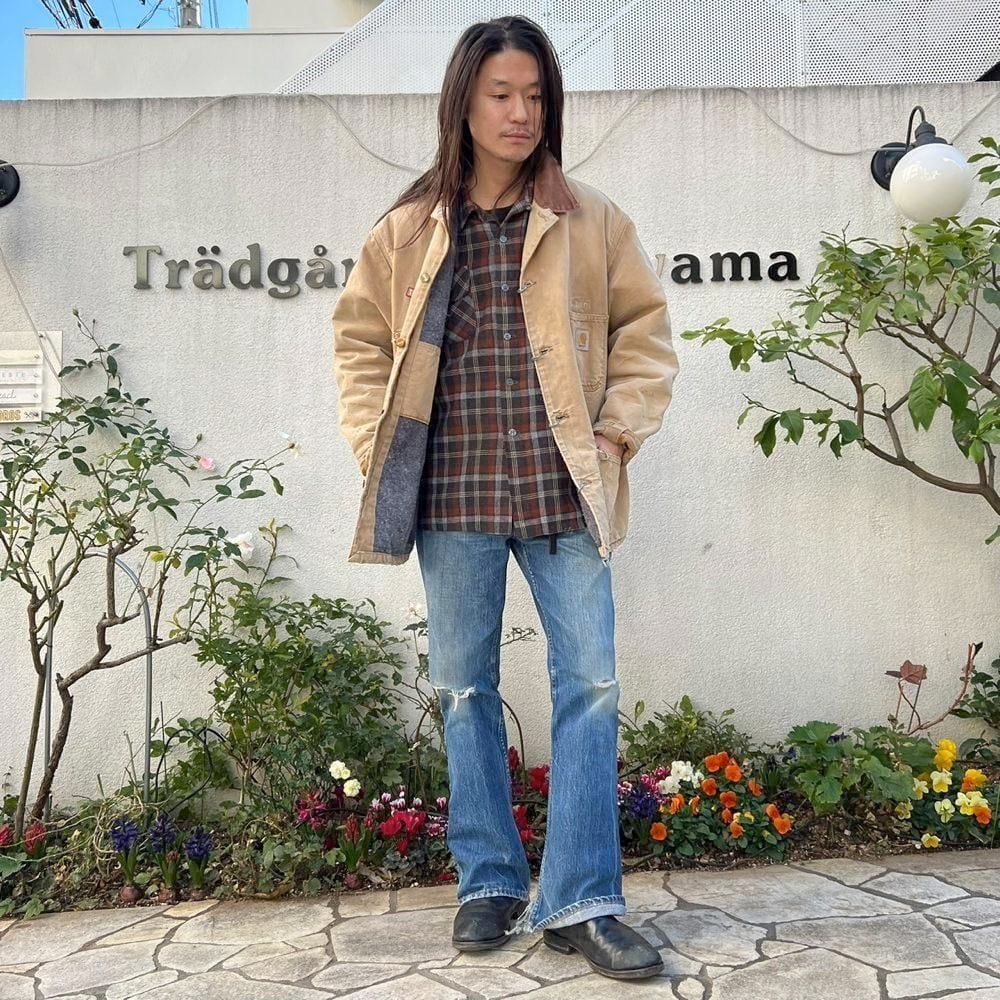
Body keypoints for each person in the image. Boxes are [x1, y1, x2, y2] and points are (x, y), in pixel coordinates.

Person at [332, 14, 679, 981]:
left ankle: (582, 901)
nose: (520, 113)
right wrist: (374, 445)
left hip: (564, 489)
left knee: (591, 686)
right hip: (454, 495)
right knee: (463, 690)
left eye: (534, 96)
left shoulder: (590, 219)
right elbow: (359, 344)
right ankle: (488, 879)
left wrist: (615, 434)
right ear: (465, 103)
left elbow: (645, 333)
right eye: (501, 95)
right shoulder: (408, 230)